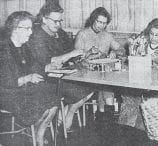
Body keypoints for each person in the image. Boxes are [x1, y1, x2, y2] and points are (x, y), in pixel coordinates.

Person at [27, 2, 94, 130]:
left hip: (62, 76)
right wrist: (71, 54)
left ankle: (66, 114)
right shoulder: (36, 36)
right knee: (81, 90)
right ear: (44, 19)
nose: (58, 24)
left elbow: (71, 54)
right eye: (55, 21)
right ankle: (63, 117)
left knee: (90, 88)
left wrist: (82, 57)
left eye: (60, 21)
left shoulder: (60, 33)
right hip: (44, 78)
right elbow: (47, 62)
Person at [54, 7, 125, 121]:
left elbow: (121, 50)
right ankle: (103, 121)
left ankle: (106, 123)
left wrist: (115, 52)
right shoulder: (83, 34)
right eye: (99, 22)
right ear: (93, 20)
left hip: (102, 73)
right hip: (85, 74)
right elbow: (76, 58)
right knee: (105, 89)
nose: (101, 26)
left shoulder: (107, 35)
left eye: (104, 23)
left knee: (107, 90)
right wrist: (88, 53)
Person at [0, 11, 59, 146]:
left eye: (31, 28)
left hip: (25, 90)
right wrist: (27, 78)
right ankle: (33, 131)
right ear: (14, 29)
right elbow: (5, 82)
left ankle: (39, 133)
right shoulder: (3, 50)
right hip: (7, 94)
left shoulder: (25, 47)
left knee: (54, 97)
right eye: (27, 28)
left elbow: (35, 68)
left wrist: (48, 67)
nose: (31, 32)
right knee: (41, 102)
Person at [119, 18, 158, 132]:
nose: (153, 38)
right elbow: (132, 61)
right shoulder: (142, 42)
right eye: (151, 34)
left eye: (157, 35)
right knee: (128, 96)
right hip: (140, 80)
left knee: (146, 100)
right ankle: (126, 131)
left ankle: (142, 131)